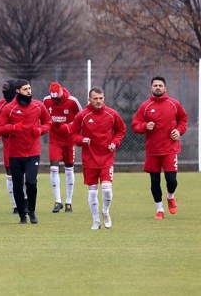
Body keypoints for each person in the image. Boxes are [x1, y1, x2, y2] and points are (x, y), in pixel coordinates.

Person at [65, 87, 126, 230]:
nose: (98, 101)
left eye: (101, 98)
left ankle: (105, 211)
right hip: (90, 159)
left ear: (104, 98)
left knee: (106, 190)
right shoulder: (82, 115)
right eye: (95, 98)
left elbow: (121, 130)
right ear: (89, 100)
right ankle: (96, 220)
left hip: (107, 158)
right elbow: (73, 134)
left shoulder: (112, 114)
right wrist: (81, 140)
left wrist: (115, 142)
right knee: (92, 191)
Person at [131, 76, 188, 219]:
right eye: (155, 85)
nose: (158, 87)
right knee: (155, 181)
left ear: (165, 88)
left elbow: (183, 119)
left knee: (172, 180)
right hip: (153, 151)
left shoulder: (174, 104)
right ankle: (160, 209)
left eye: (160, 85)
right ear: (151, 88)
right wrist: (145, 126)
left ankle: (170, 196)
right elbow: (135, 125)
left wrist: (179, 131)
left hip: (170, 149)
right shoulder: (145, 106)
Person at [0, 79, 52, 225]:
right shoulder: (9, 108)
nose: (29, 91)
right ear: (17, 91)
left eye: (29, 89)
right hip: (15, 153)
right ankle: (22, 215)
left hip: (33, 152)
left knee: (31, 182)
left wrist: (40, 130)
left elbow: (48, 122)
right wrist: (13, 128)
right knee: (17, 184)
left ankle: (32, 211)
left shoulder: (38, 106)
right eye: (25, 89)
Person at [43, 82, 82, 213]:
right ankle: (57, 200)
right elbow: (43, 117)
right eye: (54, 99)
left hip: (69, 139)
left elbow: (81, 117)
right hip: (54, 139)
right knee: (53, 168)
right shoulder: (46, 101)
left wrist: (70, 126)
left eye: (58, 99)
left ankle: (68, 201)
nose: (56, 101)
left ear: (61, 94)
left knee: (69, 169)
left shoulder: (72, 101)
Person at [0, 80, 21, 214]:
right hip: (8, 145)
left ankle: (24, 201)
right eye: (3, 89)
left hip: (24, 144)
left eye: (7, 89)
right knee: (10, 175)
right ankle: (15, 205)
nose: (4, 92)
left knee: (24, 177)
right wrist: (6, 130)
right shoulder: (0, 104)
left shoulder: (23, 102)